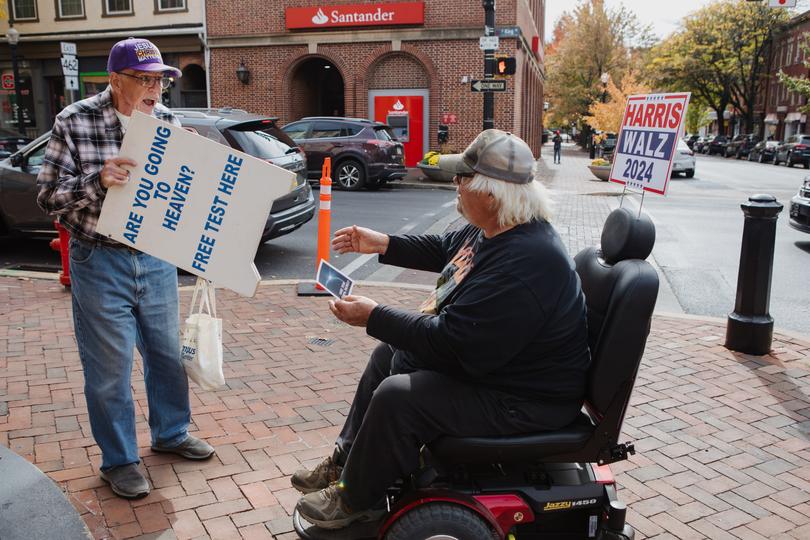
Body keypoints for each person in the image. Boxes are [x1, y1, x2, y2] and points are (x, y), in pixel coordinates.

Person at [292, 129, 591, 529]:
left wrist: (374, 316)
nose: (455, 184)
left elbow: (451, 342)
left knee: (401, 396)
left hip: (526, 399)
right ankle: (347, 461)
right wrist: (382, 243)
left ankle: (356, 500)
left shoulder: (526, 262)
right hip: (504, 372)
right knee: (389, 355)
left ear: (491, 194)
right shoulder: (498, 227)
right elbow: (446, 248)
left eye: (462, 179)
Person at [37, 38, 214, 500]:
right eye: (145, 79)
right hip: (99, 260)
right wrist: (99, 181)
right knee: (109, 370)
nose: (156, 89)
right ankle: (119, 460)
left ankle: (171, 433)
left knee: (166, 355)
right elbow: (47, 196)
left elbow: (190, 196)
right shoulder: (74, 121)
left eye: (160, 79)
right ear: (115, 80)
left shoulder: (169, 123)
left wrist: (195, 163)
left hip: (154, 259)